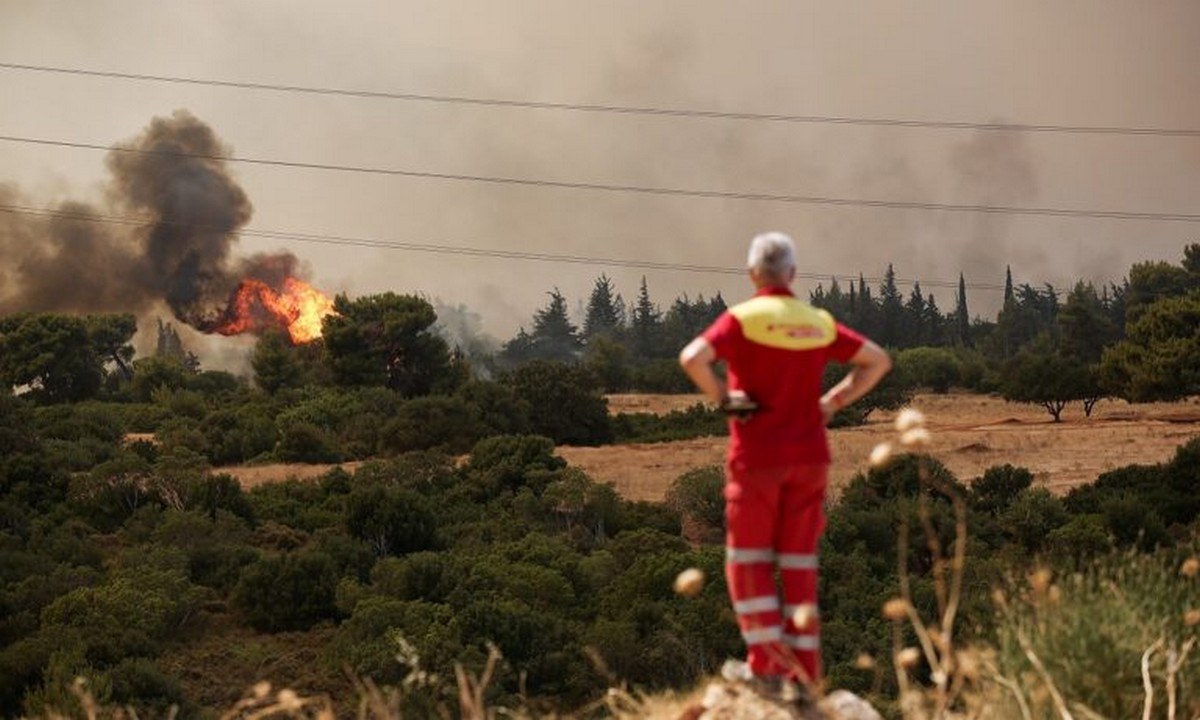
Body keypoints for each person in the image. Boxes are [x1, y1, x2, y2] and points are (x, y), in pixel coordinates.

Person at [679, 231, 892, 685]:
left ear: (753, 274)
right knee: (799, 563)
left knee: (748, 561)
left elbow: (692, 357)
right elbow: (877, 360)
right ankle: (805, 672)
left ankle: (768, 663)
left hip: (756, 457)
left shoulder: (742, 319)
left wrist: (724, 399)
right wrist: (832, 403)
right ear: (792, 274)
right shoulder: (817, 322)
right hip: (810, 458)